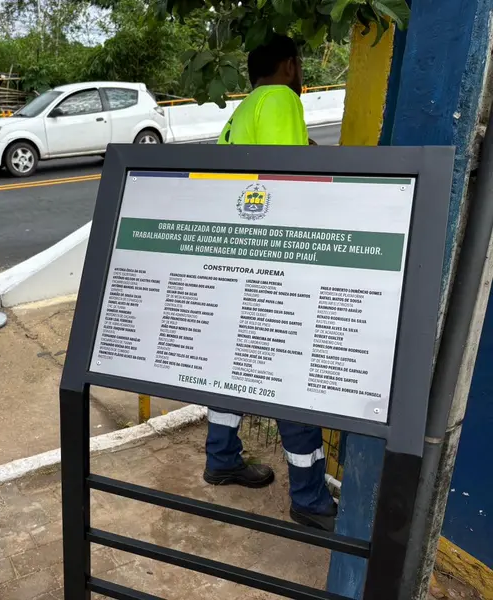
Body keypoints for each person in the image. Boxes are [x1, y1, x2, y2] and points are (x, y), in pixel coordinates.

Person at [209, 34, 337, 532]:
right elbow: (292, 182)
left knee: (234, 365)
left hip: (237, 258)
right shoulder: (282, 99)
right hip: (276, 266)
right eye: (300, 63)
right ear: (288, 65)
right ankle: (308, 497)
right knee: (291, 379)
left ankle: (221, 458)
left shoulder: (241, 113)